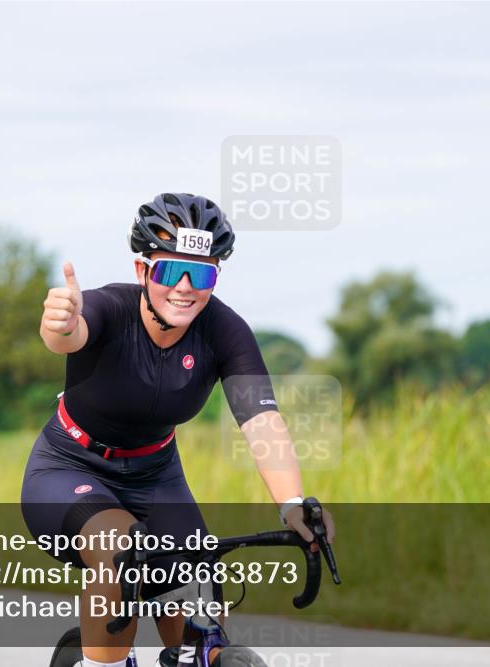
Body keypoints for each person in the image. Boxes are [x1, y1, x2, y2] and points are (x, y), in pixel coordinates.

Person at [21, 193, 335, 667]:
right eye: (170, 271)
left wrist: (291, 503)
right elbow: (70, 335)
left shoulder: (225, 331)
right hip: (70, 468)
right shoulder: (109, 307)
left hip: (155, 474)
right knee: (123, 551)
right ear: (143, 271)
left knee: (199, 591)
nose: (185, 287)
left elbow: (261, 421)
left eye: (202, 273)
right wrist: (59, 325)